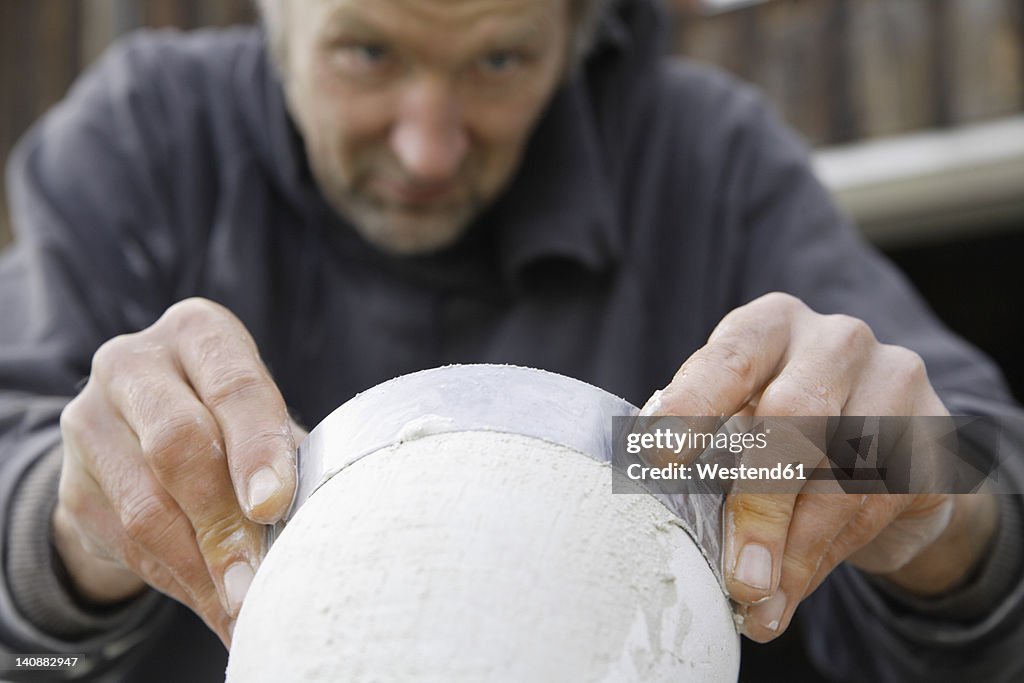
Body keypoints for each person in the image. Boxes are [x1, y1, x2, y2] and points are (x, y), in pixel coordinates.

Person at [0, 0, 1021, 679]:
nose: (428, 144)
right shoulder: (143, 138)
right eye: (368, 52)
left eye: (500, 59)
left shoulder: (705, 162)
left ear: (581, 31)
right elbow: (25, 465)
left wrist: (916, 500)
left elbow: (954, 459)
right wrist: (75, 519)